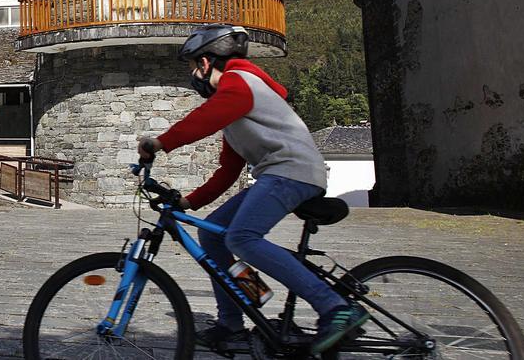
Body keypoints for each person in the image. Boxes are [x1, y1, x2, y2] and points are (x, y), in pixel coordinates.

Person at [136, 24, 368, 355]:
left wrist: (160, 141)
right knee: (213, 234)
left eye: (192, 66)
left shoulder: (240, 79)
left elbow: (207, 116)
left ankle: (334, 307)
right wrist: (187, 201)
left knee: (242, 237)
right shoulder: (236, 112)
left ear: (205, 63)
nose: (193, 75)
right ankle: (234, 321)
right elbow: (228, 172)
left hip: (292, 172)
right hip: (281, 173)